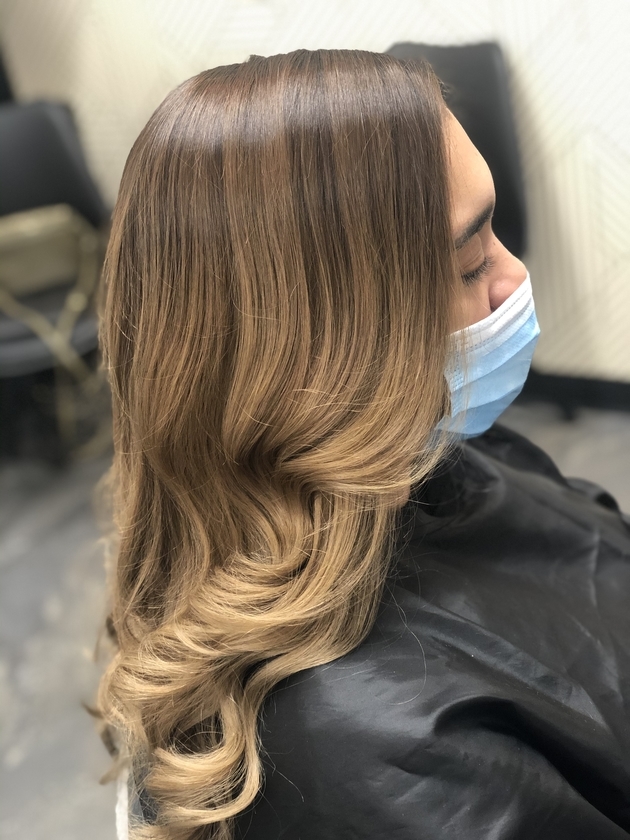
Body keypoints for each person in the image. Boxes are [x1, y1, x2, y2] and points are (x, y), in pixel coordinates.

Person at [94, 49, 630, 840]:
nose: (514, 279)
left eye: (496, 234)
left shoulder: (435, 453)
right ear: (321, 347)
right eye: (471, 263)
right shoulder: (393, 756)